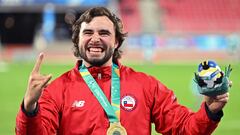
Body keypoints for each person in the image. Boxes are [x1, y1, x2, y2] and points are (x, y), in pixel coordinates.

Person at [15, 7, 229, 135]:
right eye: (87, 32)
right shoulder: (56, 91)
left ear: (116, 42)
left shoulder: (146, 85)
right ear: (78, 41)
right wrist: (30, 107)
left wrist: (210, 111)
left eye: (104, 33)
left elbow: (184, 129)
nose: (95, 38)